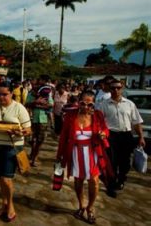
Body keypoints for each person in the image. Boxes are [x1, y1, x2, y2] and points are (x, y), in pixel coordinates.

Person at [57, 91, 111, 224]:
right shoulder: (70, 115)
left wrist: (103, 134)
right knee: (78, 180)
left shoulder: (97, 115)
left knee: (94, 180)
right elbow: (64, 136)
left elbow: (105, 129)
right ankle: (81, 205)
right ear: (78, 102)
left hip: (92, 152)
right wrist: (60, 155)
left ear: (93, 104)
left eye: (90, 104)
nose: (86, 107)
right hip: (75, 152)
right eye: (83, 103)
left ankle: (90, 207)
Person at [0, 82, 31, 222]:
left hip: (12, 146)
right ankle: (4, 204)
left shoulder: (18, 108)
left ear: (11, 94)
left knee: (6, 179)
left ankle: (10, 206)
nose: (1, 97)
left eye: (4, 94)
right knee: (0, 178)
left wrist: (19, 131)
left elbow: (28, 129)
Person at [98, 79, 145, 198]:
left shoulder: (130, 104)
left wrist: (141, 137)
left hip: (126, 135)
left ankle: (121, 180)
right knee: (111, 162)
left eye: (118, 88)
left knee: (125, 162)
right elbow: (98, 123)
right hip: (111, 136)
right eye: (113, 88)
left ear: (122, 88)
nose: (115, 90)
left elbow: (137, 122)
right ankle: (111, 186)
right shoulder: (103, 105)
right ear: (109, 89)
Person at [26, 75, 54, 166]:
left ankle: (34, 157)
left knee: (39, 140)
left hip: (43, 119)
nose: (36, 86)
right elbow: (27, 104)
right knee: (31, 140)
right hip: (31, 118)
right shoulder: (30, 93)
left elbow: (51, 104)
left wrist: (38, 105)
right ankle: (33, 155)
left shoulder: (46, 93)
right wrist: (36, 103)